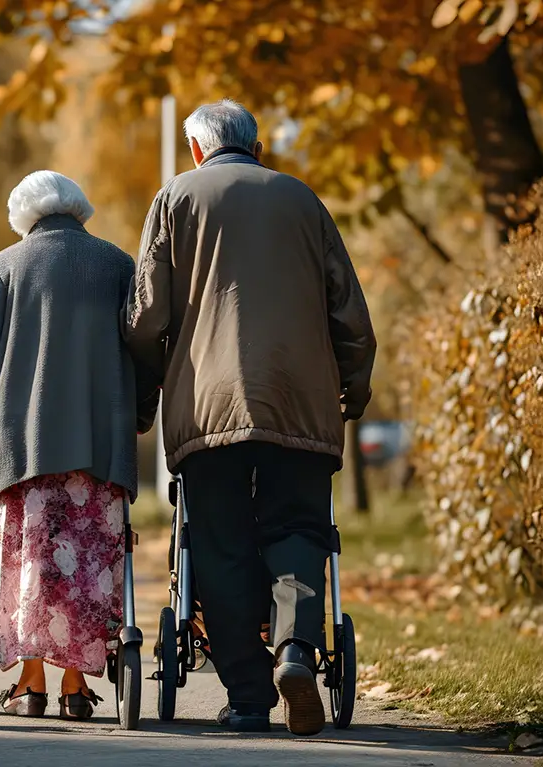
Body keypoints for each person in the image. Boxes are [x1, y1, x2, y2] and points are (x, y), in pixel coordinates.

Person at [123, 100, 376, 736]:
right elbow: (349, 313)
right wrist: (352, 389)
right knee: (298, 529)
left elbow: (147, 317)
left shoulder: (177, 199)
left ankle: (248, 696)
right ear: (256, 146)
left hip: (209, 407)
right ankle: (295, 648)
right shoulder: (303, 200)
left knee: (220, 544)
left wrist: (145, 397)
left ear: (197, 150)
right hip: (299, 399)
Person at [0, 170, 158, 720]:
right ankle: (74, 685)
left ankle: (30, 682)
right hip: (99, 444)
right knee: (91, 560)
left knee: (29, 559)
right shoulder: (117, 267)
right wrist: (139, 414)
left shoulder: (3, 267)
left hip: (23, 449)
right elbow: (141, 350)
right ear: (77, 209)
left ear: (25, 216)